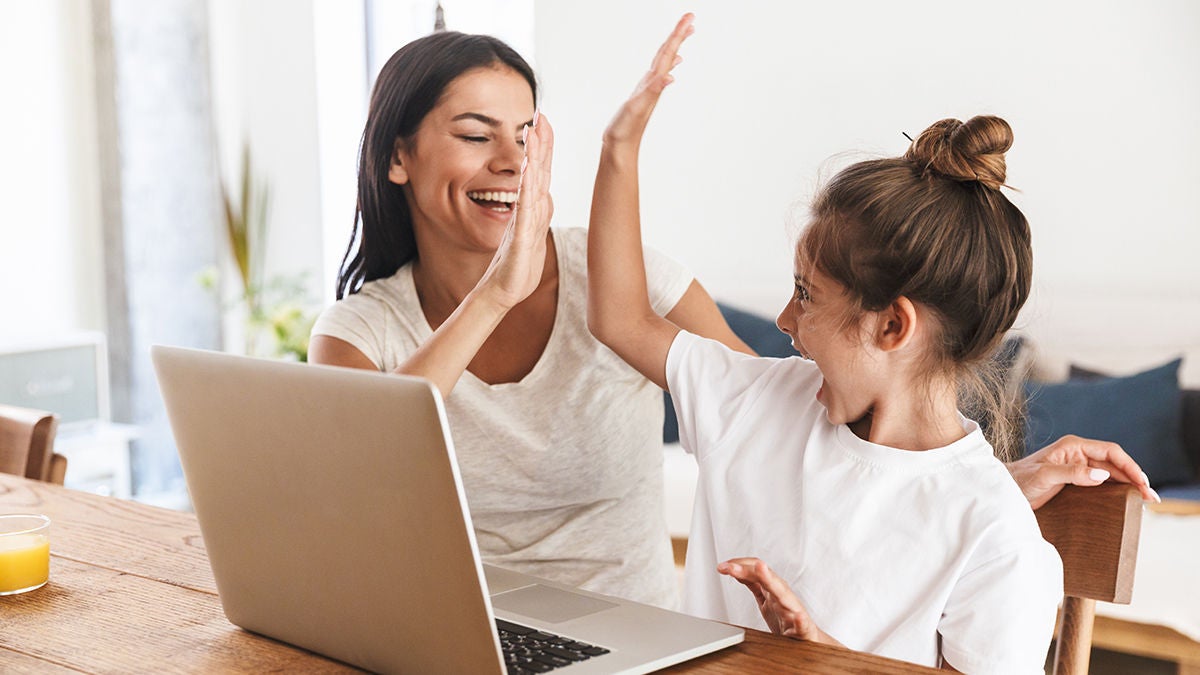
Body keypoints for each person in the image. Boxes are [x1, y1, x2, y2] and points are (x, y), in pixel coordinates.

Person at [309, 27, 1158, 613]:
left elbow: (799, 446)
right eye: (474, 133)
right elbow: (353, 490)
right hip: (455, 638)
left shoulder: (648, 304)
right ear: (397, 155)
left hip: (628, 633)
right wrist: (501, 288)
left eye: (528, 134)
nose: (510, 160)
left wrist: (981, 491)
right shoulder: (361, 330)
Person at [585, 14, 1137, 672]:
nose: (786, 320)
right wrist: (618, 149)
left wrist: (827, 661)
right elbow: (620, 318)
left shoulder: (993, 532)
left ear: (892, 325)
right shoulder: (758, 404)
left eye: (807, 294)